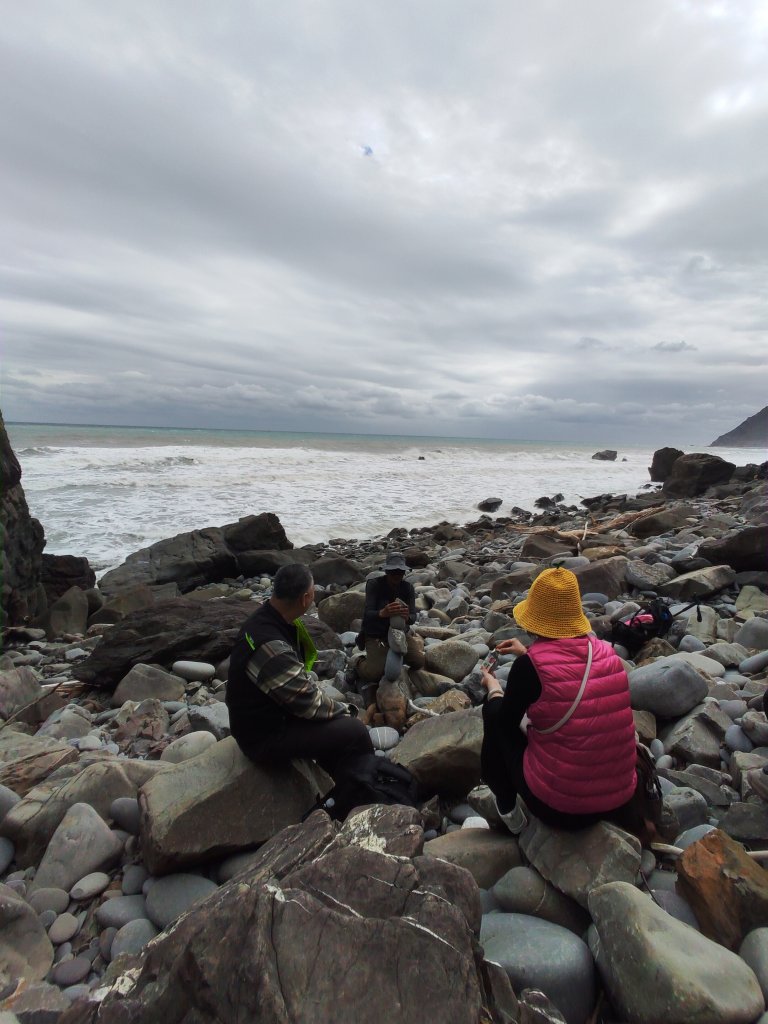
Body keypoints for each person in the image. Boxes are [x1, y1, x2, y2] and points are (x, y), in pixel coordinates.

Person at [480, 567, 638, 833]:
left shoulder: (529, 668)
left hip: (562, 809)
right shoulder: (607, 653)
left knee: (493, 714)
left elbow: (506, 723)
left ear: (535, 618)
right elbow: (565, 677)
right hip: (620, 798)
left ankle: (507, 808)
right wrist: (527, 653)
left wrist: (493, 688)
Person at [226, 563, 373, 786]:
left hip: (264, 716)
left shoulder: (264, 619)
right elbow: (308, 704)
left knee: (334, 729)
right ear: (305, 598)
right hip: (262, 738)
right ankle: (369, 789)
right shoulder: (272, 646)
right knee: (355, 731)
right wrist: (347, 711)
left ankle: (338, 782)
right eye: (313, 592)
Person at [356, 552, 424, 699]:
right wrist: (382, 613)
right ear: (386, 571)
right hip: (376, 634)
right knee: (375, 673)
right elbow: (367, 615)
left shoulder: (407, 588)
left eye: (400, 572)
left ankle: (392, 656)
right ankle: (357, 662)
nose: (396, 575)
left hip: (399, 633)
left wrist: (407, 617)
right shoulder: (374, 585)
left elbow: (413, 617)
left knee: (419, 662)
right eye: (393, 572)